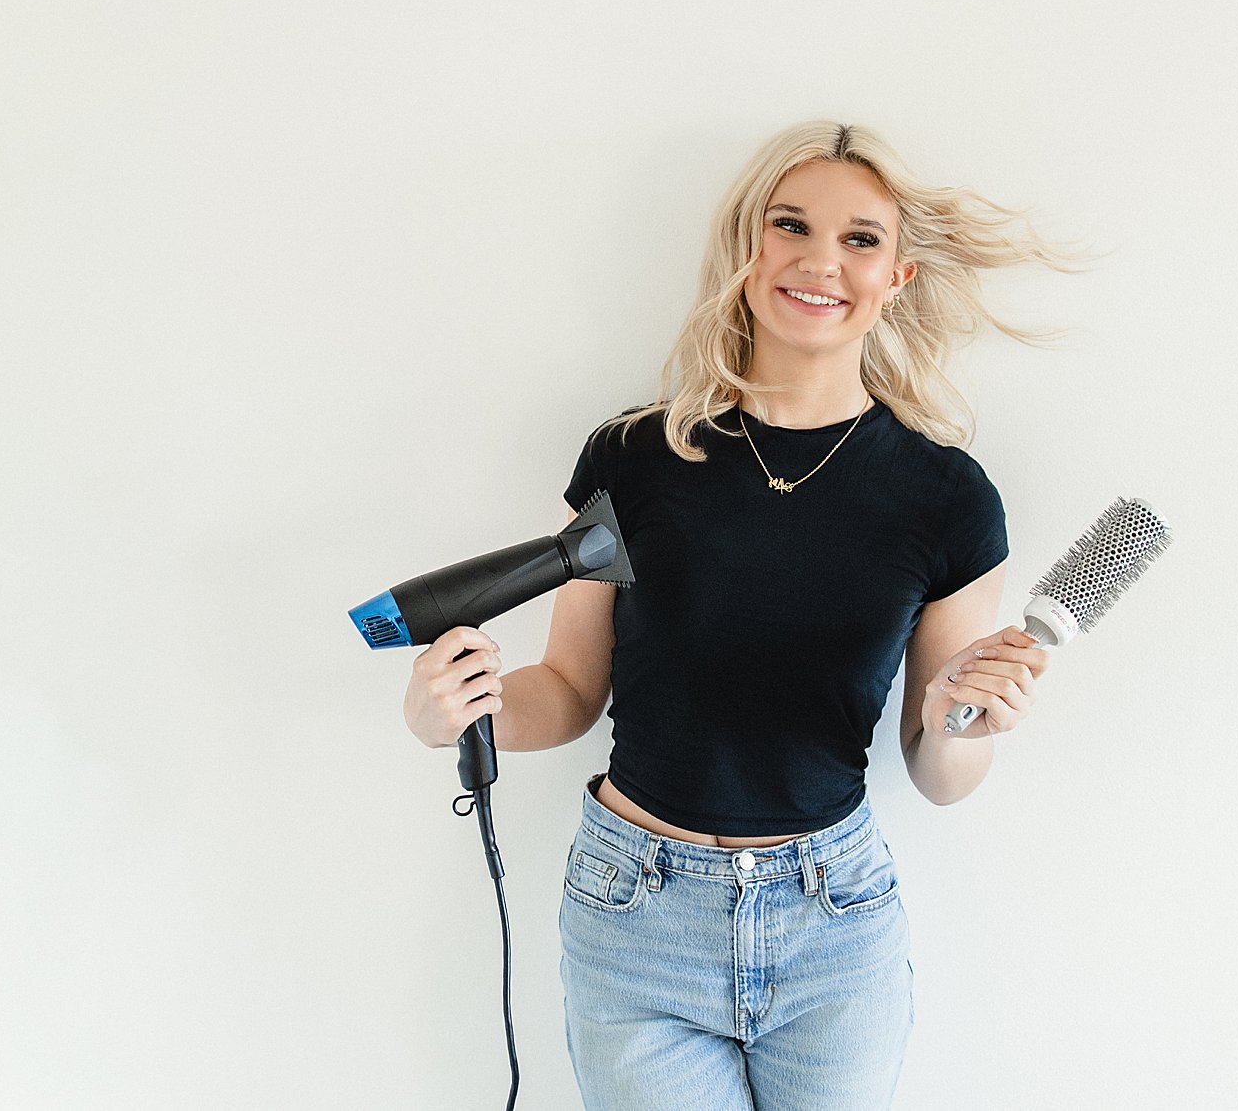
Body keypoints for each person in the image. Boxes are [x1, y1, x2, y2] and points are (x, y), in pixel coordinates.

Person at [402, 119, 1103, 1110]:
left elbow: (937, 771)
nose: (821, 260)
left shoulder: (945, 497)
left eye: (860, 238)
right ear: (747, 249)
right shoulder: (632, 459)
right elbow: (563, 689)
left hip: (833, 923)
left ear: (896, 276)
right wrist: (461, 713)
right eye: (790, 226)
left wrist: (962, 716)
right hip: (633, 912)